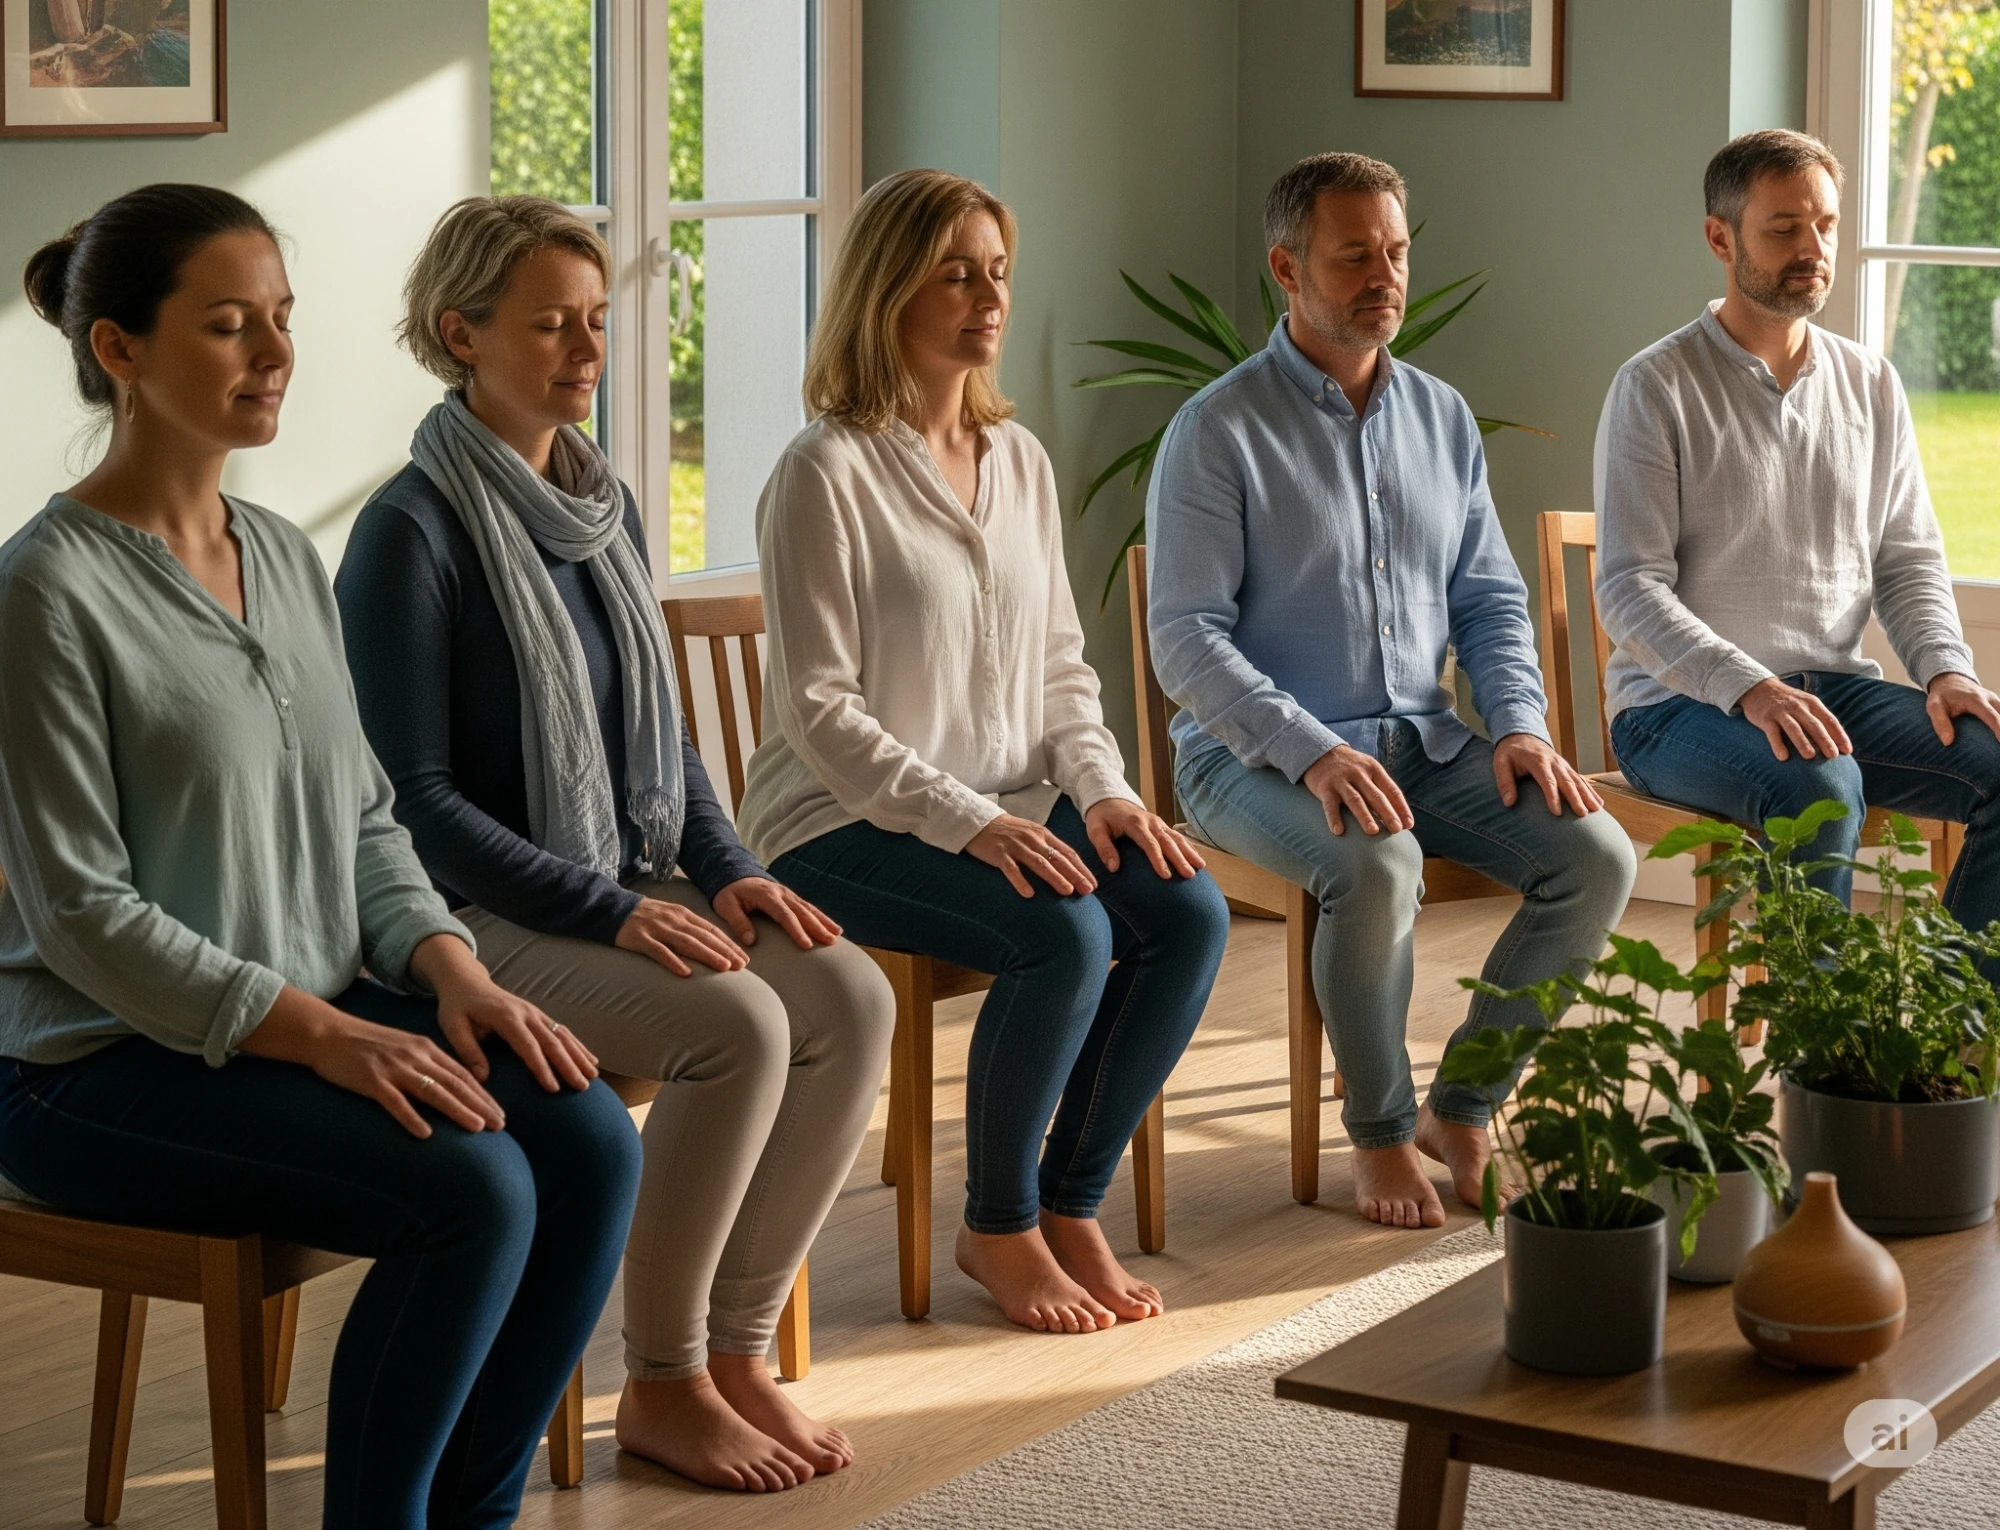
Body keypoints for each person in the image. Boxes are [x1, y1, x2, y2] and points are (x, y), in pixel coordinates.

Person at [0, 184, 641, 1530]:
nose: (276, 354)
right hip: (93, 1065)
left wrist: (450, 966)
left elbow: (365, 817)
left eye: (281, 319)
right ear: (120, 349)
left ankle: (472, 1514)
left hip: (303, 1012)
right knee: (470, 1185)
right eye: (231, 326)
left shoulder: (285, 557)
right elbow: (79, 910)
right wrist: (324, 1034)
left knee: (584, 1138)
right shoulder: (42, 594)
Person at [335, 196, 893, 1494]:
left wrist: (731, 866)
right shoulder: (409, 531)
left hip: (613, 877)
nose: (586, 351)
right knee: (737, 1023)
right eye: (550, 324)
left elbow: (665, 749)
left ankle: (738, 1349)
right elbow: (412, 802)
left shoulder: (602, 502)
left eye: (597, 321)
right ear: (457, 332)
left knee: (848, 995)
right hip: (469, 918)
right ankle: (661, 1377)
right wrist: (612, 911)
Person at [736, 168, 1230, 1336]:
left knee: (1184, 907)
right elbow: (819, 707)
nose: (985, 296)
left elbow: (1064, 660)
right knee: (1061, 933)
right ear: (885, 289)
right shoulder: (824, 470)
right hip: (836, 826)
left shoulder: (1019, 460)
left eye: (996, 270)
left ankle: (1067, 1204)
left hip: (1010, 799)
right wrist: (973, 823)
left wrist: (1101, 793)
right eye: (954, 271)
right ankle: (994, 1224)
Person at [1147, 152, 1635, 1232]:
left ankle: (1459, 1111)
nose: (1385, 275)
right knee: (1374, 867)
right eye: (1353, 254)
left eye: (1397, 251)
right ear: (1285, 267)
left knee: (1596, 856)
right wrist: (1308, 749)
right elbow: (1182, 638)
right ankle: (1375, 1131)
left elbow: (1491, 600)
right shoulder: (1215, 430)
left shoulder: (1440, 417)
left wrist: (1515, 725)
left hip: (1424, 739)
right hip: (1250, 758)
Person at [1598, 128, 2000, 932]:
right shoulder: (1656, 385)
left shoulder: (1871, 381)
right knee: (1820, 785)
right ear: (1721, 238)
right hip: (1676, 709)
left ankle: (1951, 1037)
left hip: (1832, 693)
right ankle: (1813, 1055)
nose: (1812, 247)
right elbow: (1629, 588)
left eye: (1825, 224)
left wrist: (1947, 671)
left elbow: (1907, 560)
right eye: (1784, 227)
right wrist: (1748, 686)